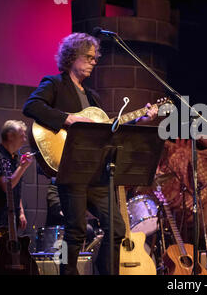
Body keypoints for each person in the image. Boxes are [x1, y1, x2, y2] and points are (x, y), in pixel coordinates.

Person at [22, 32, 157, 275]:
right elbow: (31, 106)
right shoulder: (54, 84)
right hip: (70, 168)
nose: (94, 62)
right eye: (89, 57)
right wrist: (67, 118)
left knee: (116, 228)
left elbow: (108, 129)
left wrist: (140, 118)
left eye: (95, 58)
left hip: (94, 172)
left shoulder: (92, 96)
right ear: (72, 57)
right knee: (75, 230)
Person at [0, 120, 33, 235]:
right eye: (22, 136)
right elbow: (7, 186)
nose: (24, 140)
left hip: (12, 216)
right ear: (10, 136)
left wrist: (21, 212)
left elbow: (16, 187)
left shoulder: (14, 158)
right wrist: (23, 167)